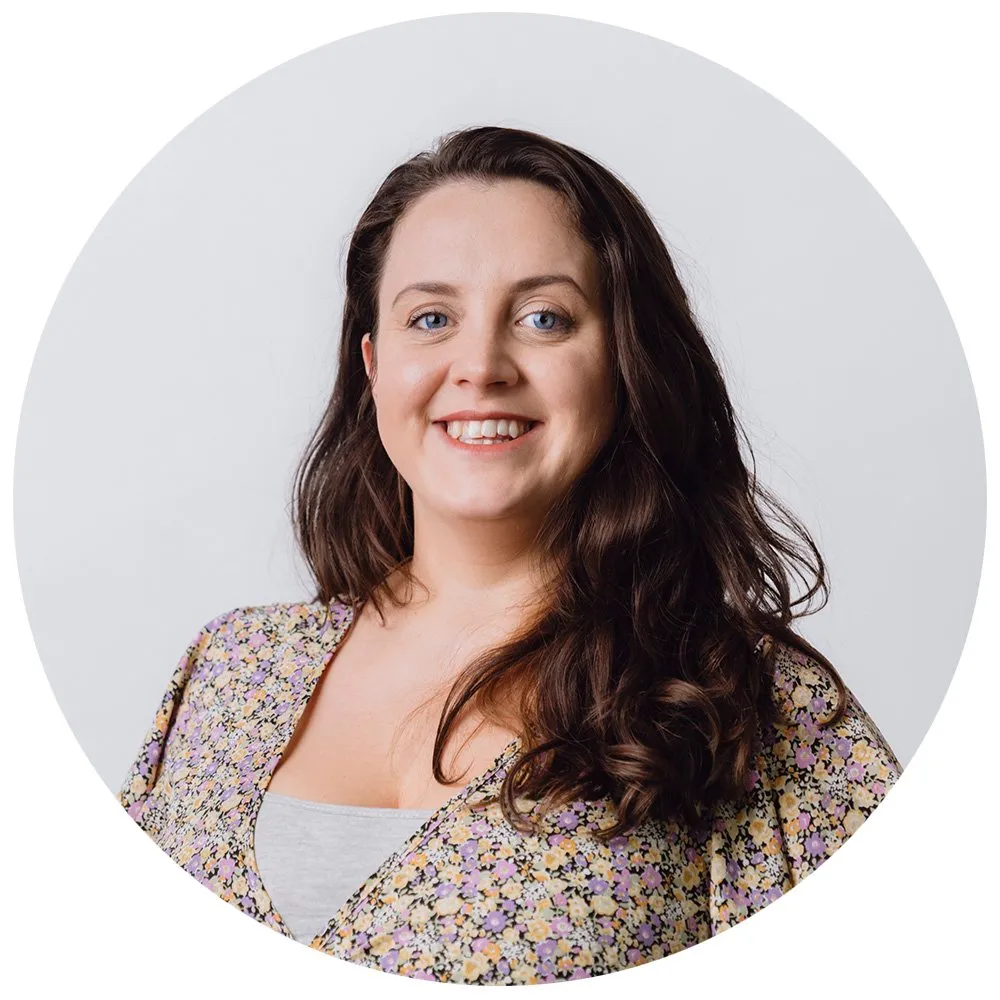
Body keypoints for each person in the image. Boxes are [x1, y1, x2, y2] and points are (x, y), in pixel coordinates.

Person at [118, 125, 902, 984]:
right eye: (431, 318)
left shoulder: (747, 703)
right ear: (372, 364)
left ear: (621, 360)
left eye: (543, 317)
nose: (481, 365)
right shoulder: (230, 672)